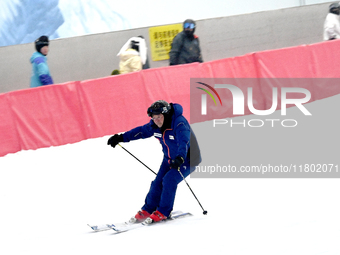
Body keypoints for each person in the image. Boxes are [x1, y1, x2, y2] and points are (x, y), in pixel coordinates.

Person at [107, 100, 201, 223]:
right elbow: (140, 131)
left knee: (169, 180)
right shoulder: (155, 125)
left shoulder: (179, 123)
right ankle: (148, 209)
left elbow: (184, 142)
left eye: (159, 117)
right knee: (157, 183)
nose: (156, 120)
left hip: (187, 159)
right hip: (169, 158)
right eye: (154, 118)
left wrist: (180, 158)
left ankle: (163, 212)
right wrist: (121, 137)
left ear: (166, 115)